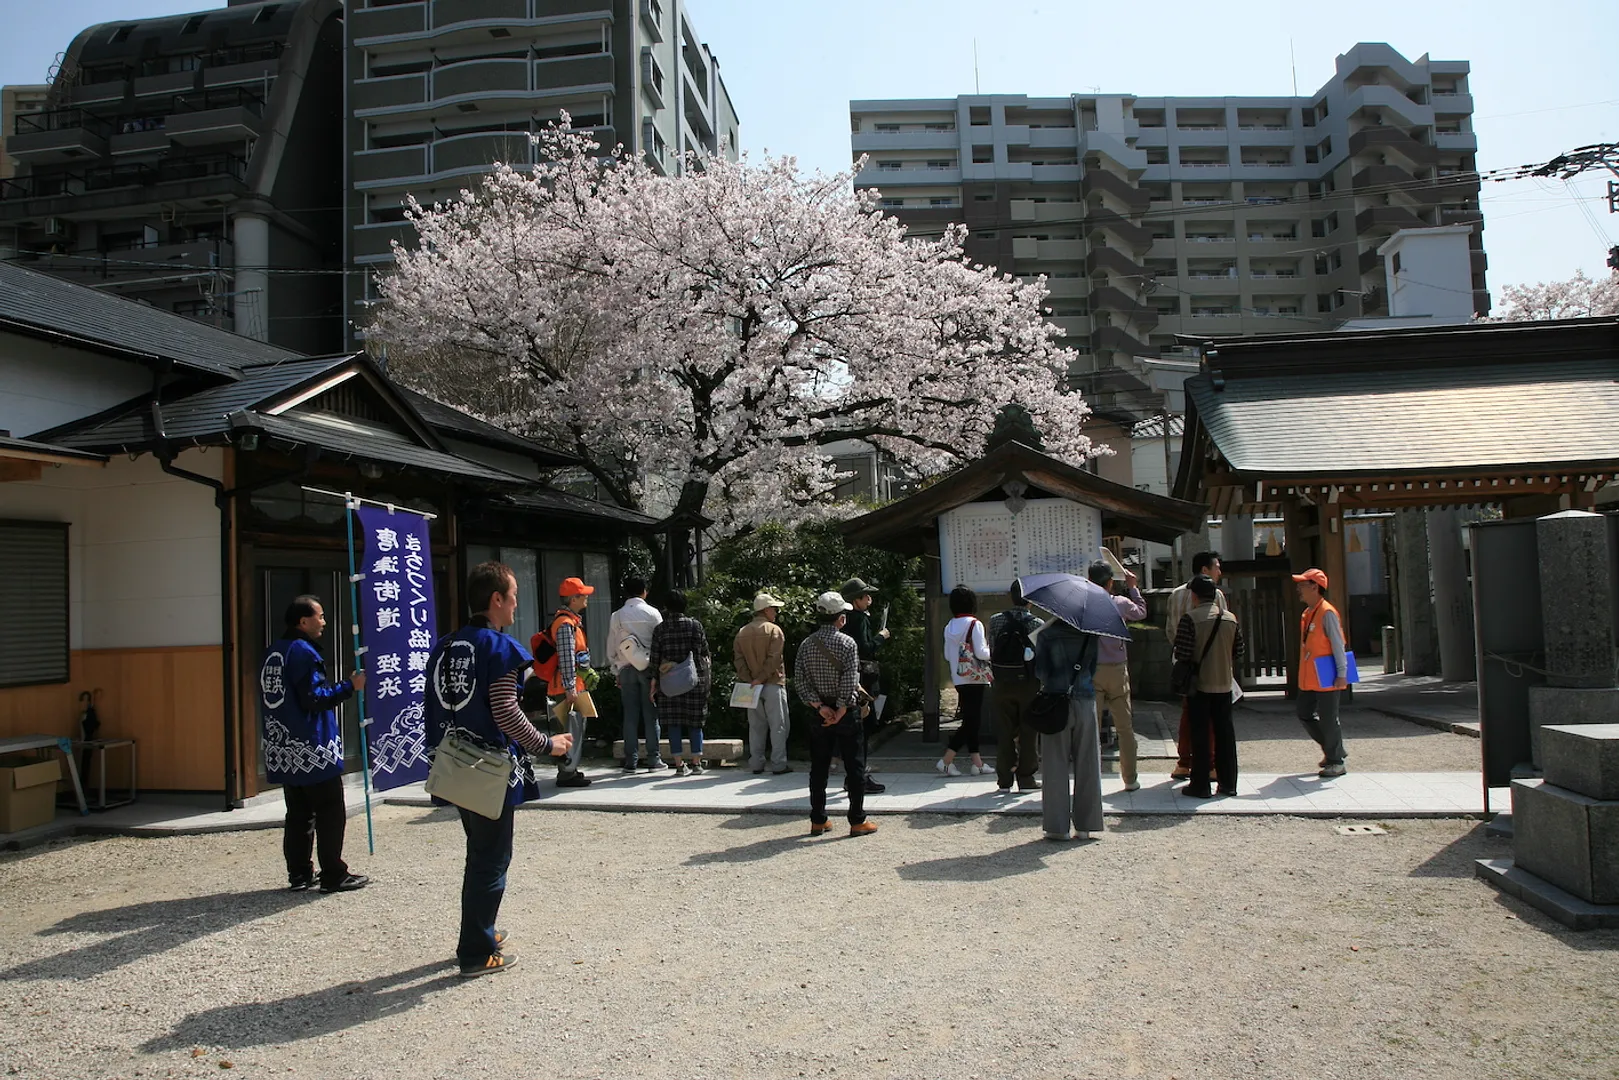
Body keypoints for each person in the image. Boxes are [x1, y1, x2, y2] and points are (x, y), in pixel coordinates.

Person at [425, 561, 573, 977]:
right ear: (496, 600)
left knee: (480, 852)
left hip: (453, 764)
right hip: (489, 768)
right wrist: (548, 744)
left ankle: (481, 930)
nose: (515, 605)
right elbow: (506, 711)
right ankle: (476, 950)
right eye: (513, 597)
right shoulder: (498, 648)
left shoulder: (445, 646)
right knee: (490, 858)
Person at [260, 595, 369, 894]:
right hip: (312, 748)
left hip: (283, 747)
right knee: (330, 811)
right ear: (303, 621)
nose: (323, 621)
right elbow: (315, 698)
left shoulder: (274, 652)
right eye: (319, 616)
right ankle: (333, 874)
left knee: (298, 814)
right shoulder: (303, 653)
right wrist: (350, 686)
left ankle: (299, 875)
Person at [794, 591, 877, 837]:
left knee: (818, 767)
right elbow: (850, 679)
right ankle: (857, 820)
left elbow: (800, 682)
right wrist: (840, 709)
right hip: (847, 712)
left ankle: (818, 819)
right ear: (841, 618)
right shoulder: (848, 643)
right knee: (854, 767)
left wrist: (821, 707)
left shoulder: (806, 645)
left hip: (820, 713)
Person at [1173, 575, 1245, 798]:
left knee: (1200, 735)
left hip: (1200, 685)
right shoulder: (1230, 619)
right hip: (1224, 684)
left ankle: (1200, 784)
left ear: (1194, 596)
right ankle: (1228, 783)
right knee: (1225, 734)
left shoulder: (1190, 619)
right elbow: (1239, 651)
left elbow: (1182, 653)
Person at [1034, 609, 1104, 841]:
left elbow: (1041, 672)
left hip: (1055, 702)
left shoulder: (1047, 635)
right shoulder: (1091, 634)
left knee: (1055, 763)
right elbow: (1093, 668)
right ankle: (1086, 825)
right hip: (1084, 699)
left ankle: (1057, 826)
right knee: (1088, 762)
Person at [1164, 551, 1225, 782]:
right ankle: (1209, 764)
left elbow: (1171, 630)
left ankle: (1183, 762)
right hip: (1210, 665)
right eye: (1216, 567)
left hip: (1183, 663)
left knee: (1188, 711)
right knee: (1210, 715)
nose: (1219, 571)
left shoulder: (1176, 595)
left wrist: (1183, 654)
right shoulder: (1216, 596)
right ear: (1204, 570)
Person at [1087, 560, 1148, 793]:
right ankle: (1130, 779)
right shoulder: (1121, 603)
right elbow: (1141, 612)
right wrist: (1133, 587)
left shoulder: (1086, 606)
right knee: (1124, 727)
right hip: (1118, 668)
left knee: (1092, 728)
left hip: (1093, 670)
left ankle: (1092, 779)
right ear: (1111, 582)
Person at [534, 577, 596, 788]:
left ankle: (569, 769)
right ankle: (567, 772)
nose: (586, 598)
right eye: (583, 595)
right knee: (571, 728)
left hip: (569, 685)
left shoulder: (568, 622)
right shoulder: (565, 624)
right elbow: (567, 657)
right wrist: (570, 687)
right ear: (573, 599)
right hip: (566, 687)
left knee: (572, 728)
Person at [987, 580, 1044, 793]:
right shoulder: (1036, 623)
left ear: (1010, 596)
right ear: (1030, 600)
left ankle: (1004, 778)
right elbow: (1040, 655)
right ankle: (1026, 777)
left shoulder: (995, 621)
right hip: (1028, 683)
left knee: (1004, 730)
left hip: (1001, 681)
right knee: (1029, 731)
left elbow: (992, 648)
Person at [1293, 567, 1350, 778]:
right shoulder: (1308, 613)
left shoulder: (1327, 612)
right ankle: (1333, 750)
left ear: (1315, 587)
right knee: (1304, 712)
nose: (1299, 588)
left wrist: (1341, 672)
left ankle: (1336, 760)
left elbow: (1338, 644)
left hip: (1327, 672)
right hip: (1310, 675)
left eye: (1302, 584)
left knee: (1328, 718)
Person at [649, 590, 712, 776]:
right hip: (693, 679)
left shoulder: (660, 630)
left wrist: (653, 682)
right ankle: (697, 763)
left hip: (669, 682)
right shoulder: (695, 625)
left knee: (673, 723)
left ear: (667, 607)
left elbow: (654, 659)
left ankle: (678, 765)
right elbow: (703, 651)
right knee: (695, 722)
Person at [607, 577, 664, 771]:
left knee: (630, 715)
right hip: (648, 668)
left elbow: (612, 645)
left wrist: (616, 668)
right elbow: (660, 643)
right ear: (644, 591)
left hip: (625, 668)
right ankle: (654, 759)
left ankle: (630, 761)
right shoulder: (653, 613)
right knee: (651, 715)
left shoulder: (617, 616)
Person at [839, 576, 889, 795]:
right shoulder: (859, 619)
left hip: (847, 679)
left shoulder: (843, 619)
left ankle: (853, 776)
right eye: (866, 595)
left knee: (855, 729)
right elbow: (866, 648)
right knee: (864, 729)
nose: (869, 599)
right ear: (856, 600)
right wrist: (881, 637)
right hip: (863, 680)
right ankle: (858, 777)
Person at [938, 585, 994, 777]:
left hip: (959, 678)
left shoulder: (949, 626)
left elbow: (947, 654)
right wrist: (993, 651)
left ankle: (977, 763)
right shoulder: (974, 624)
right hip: (975, 677)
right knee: (972, 722)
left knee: (971, 720)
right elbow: (981, 653)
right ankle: (946, 760)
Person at [735, 591, 790, 775]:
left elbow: (739, 661)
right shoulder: (774, 630)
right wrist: (762, 677)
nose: (775, 612)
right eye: (774, 609)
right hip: (773, 682)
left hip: (751, 686)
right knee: (779, 725)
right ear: (766, 610)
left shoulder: (742, 632)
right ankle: (778, 764)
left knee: (756, 726)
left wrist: (751, 679)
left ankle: (756, 763)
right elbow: (774, 659)